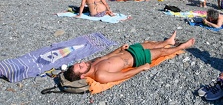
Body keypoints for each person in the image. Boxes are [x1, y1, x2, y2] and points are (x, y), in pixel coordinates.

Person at [63, 31, 195, 84]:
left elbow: (108, 56)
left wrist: (119, 49)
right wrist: (142, 67)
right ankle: (181, 47)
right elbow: (124, 75)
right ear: (82, 76)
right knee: (160, 52)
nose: (82, 63)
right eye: (80, 66)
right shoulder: (100, 75)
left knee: (150, 43)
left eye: (79, 63)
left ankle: (168, 42)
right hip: (136, 59)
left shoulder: (92, 63)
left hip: (130, 50)